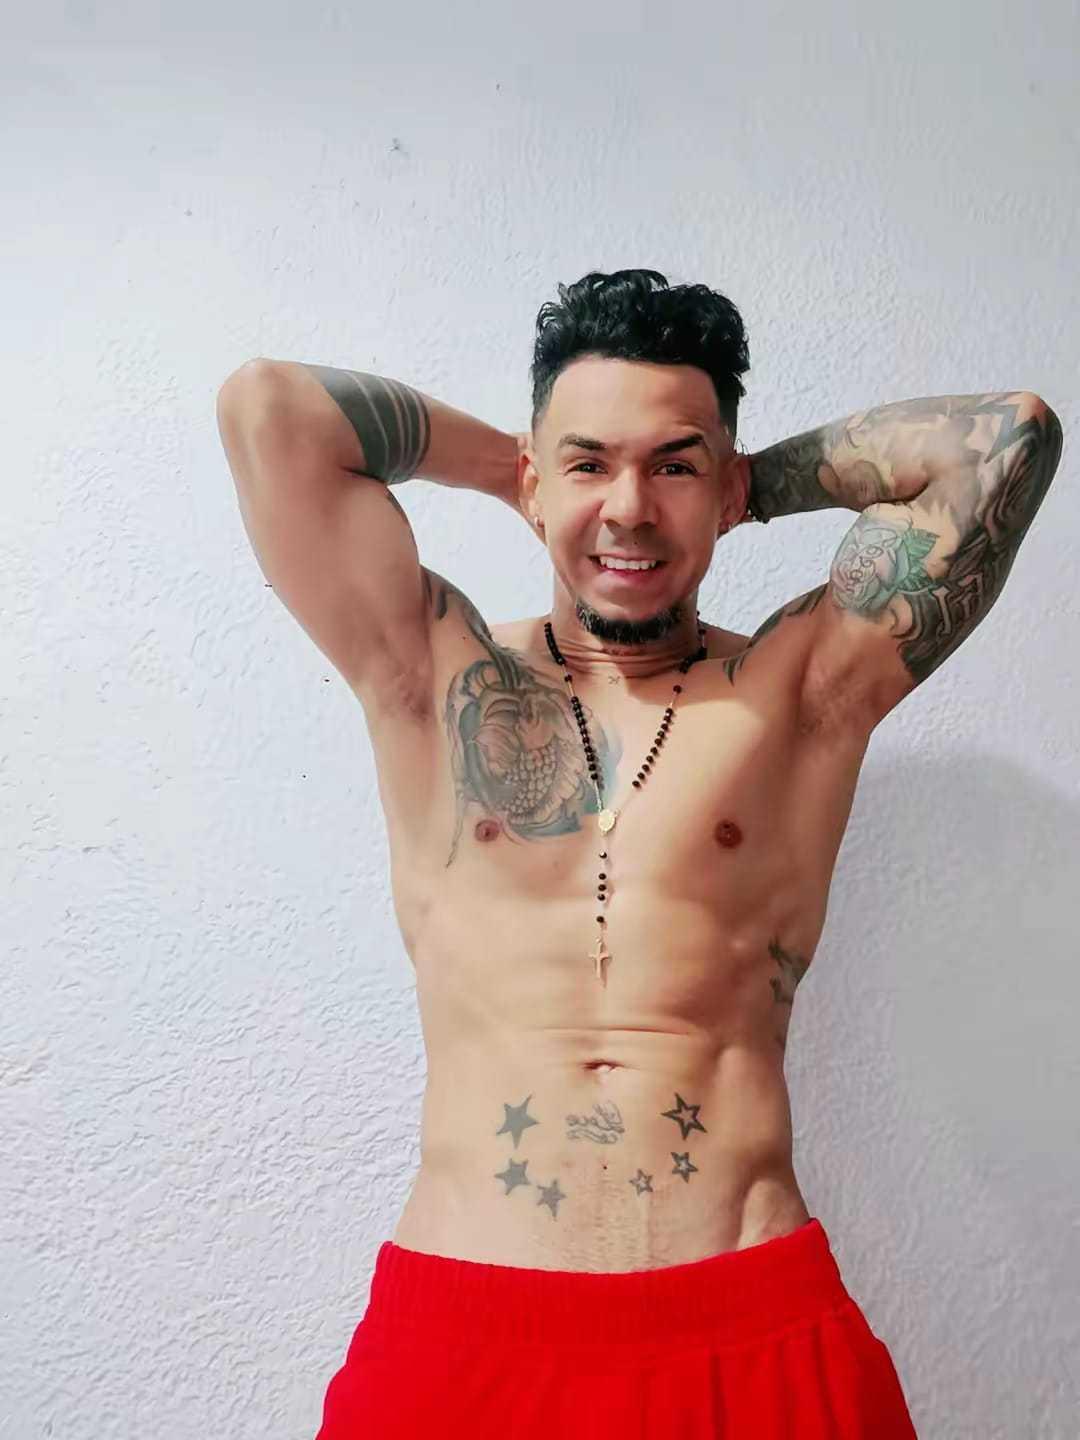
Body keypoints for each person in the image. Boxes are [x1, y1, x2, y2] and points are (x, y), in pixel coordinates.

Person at [215, 268, 1062, 1438]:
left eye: (673, 466)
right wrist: (512, 470)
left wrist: (745, 484)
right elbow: (271, 410)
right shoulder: (427, 672)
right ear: (537, 474)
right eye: (589, 465)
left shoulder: (797, 694)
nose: (629, 508)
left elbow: (1007, 440)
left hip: (753, 1325)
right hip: (464, 1339)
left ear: (722, 483)